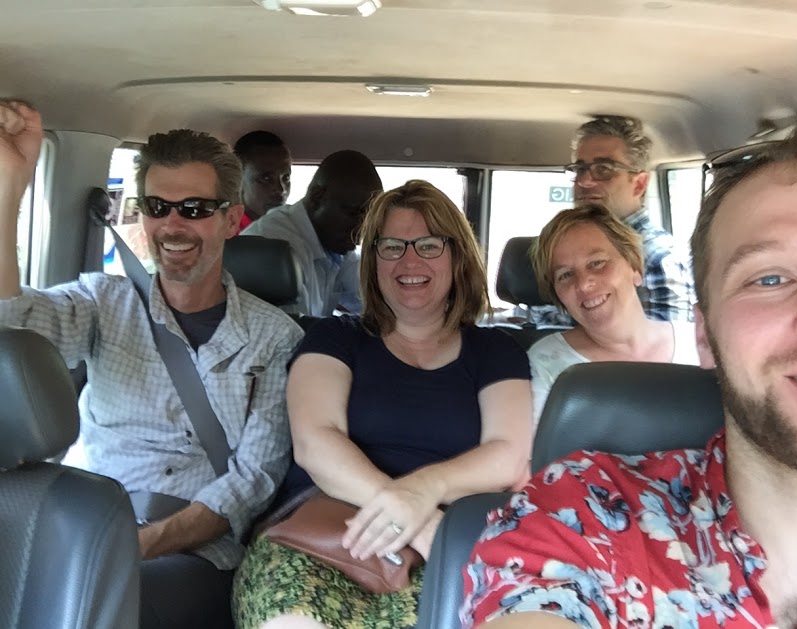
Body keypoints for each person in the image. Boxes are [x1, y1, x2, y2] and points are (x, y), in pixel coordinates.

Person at [461, 131, 797, 629]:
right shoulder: (582, 511)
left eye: (598, 263)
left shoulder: (682, 331)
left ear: (635, 267)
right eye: (769, 278)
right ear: (709, 337)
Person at [0, 101, 303, 629]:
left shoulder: (277, 339)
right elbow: (11, 326)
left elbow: (253, 479)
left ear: (231, 219)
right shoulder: (101, 301)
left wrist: (129, 547)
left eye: (194, 208)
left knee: (99, 608)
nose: (172, 225)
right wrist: (11, 186)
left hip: (194, 551)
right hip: (81, 521)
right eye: (157, 207)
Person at [232, 180, 532, 629]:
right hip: (319, 542)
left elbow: (506, 453)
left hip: (442, 547)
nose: (409, 261)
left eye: (429, 244)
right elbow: (316, 442)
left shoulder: (497, 351)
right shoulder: (335, 338)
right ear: (372, 261)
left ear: (458, 256)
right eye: (391, 246)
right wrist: (410, 516)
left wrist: (423, 492)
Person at [528, 204, 698, 424]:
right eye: (565, 275)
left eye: (597, 263)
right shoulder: (545, 362)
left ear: (635, 268)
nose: (584, 283)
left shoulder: (698, 343)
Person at [530, 116, 695, 327]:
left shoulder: (656, 256)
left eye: (604, 169)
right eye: (580, 169)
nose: (584, 181)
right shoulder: (572, 249)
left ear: (639, 184)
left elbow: (667, 352)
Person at [242, 150, 383, 317]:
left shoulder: (336, 245)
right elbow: (293, 336)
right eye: (353, 213)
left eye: (369, 219)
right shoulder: (275, 249)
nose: (361, 228)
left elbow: (374, 301)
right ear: (318, 197)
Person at [233, 130, 292, 232]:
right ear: (238, 180)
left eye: (286, 178)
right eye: (266, 178)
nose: (281, 189)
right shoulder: (225, 235)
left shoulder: (292, 229)